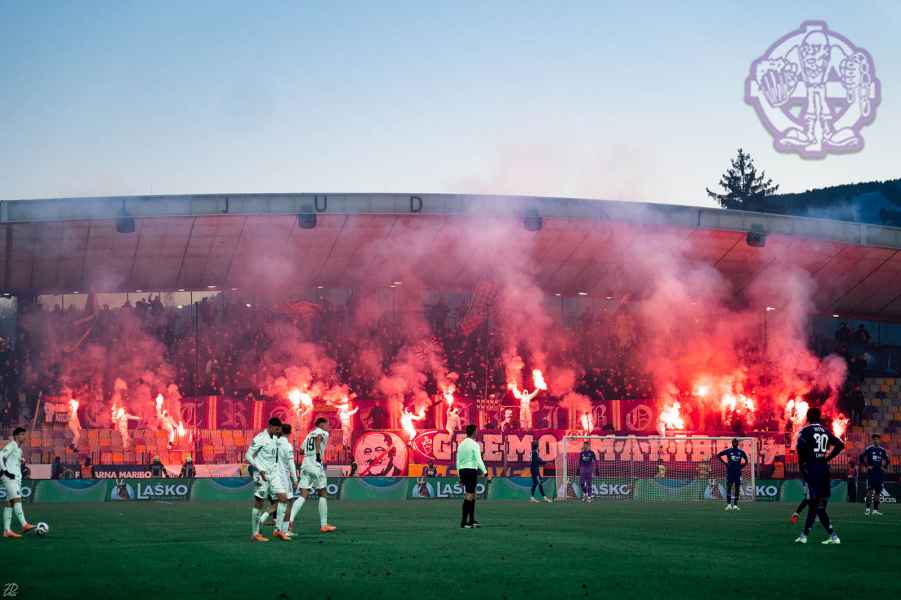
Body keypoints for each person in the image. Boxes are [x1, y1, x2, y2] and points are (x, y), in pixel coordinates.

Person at [794, 407, 844, 545]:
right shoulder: (825, 431)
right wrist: (827, 459)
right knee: (819, 506)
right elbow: (840, 445)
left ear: (808, 417)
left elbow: (800, 449)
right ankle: (832, 536)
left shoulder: (805, 431)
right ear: (819, 417)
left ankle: (805, 536)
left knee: (814, 504)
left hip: (812, 470)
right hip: (824, 470)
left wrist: (803, 468)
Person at [289, 417, 336, 533]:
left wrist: (310, 451)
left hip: (305, 465)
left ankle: (290, 520)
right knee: (323, 493)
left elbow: (301, 451)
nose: (328, 427)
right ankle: (324, 525)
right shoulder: (322, 432)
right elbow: (318, 438)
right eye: (327, 424)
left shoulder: (309, 434)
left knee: (303, 495)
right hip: (315, 465)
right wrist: (318, 455)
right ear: (322, 425)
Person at [246, 417, 289, 542]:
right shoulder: (260, 438)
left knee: (283, 499)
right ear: (270, 426)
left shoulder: (275, 438)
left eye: (279, 429)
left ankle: (278, 530)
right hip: (262, 474)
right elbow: (248, 455)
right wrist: (260, 469)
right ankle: (255, 533)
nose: (278, 431)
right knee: (259, 502)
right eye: (276, 429)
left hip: (274, 475)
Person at [0, 427, 34, 538]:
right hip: (9, 477)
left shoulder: (19, 450)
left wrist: (21, 460)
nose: (24, 436)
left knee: (9, 504)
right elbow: (0, 455)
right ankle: (24, 524)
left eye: (24, 434)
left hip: (16, 479)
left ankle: (7, 531)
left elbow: (13, 461)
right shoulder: (12, 444)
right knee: (17, 499)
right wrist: (5, 471)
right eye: (21, 434)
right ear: (16, 436)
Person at [456, 423, 489, 528]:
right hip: (471, 470)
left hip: (463, 470)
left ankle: (471, 520)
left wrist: (459, 474)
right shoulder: (474, 444)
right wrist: (485, 472)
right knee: (469, 495)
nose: (477, 432)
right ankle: (464, 522)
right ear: (474, 432)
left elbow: (457, 461)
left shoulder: (461, 444)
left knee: (472, 494)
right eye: (476, 430)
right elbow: (479, 460)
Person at [276, 424, 299, 537]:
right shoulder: (287, 445)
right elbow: (291, 464)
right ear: (290, 433)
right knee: (288, 502)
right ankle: (284, 530)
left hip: (273, 476)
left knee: (280, 502)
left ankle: (277, 529)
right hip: (283, 477)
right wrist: (295, 479)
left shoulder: (274, 442)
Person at [860, 433, 890, 516]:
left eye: (877, 439)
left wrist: (884, 467)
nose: (876, 440)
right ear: (873, 440)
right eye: (874, 439)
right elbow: (861, 457)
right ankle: (867, 509)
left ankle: (875, 510)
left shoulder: (882, 450)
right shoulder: (869, 449)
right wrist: (867, 466)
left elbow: (888, 460)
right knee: (870, 491)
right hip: (871, 474)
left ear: (879, 440)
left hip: (879, 473)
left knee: (878, 492)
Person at [716, 438, 749, 511]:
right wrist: (725, 463)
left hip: (737, 473)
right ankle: (728, 505)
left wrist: (741, 466)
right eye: (734, 442)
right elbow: (718, 455)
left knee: (737, 488)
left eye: (736, 442)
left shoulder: (741, 452)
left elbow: (746, 461)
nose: (735, 443)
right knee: (729, 487)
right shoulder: (728, 451)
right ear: (732, 443)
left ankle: (735, 505)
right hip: (730, 472)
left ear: (737, 443)